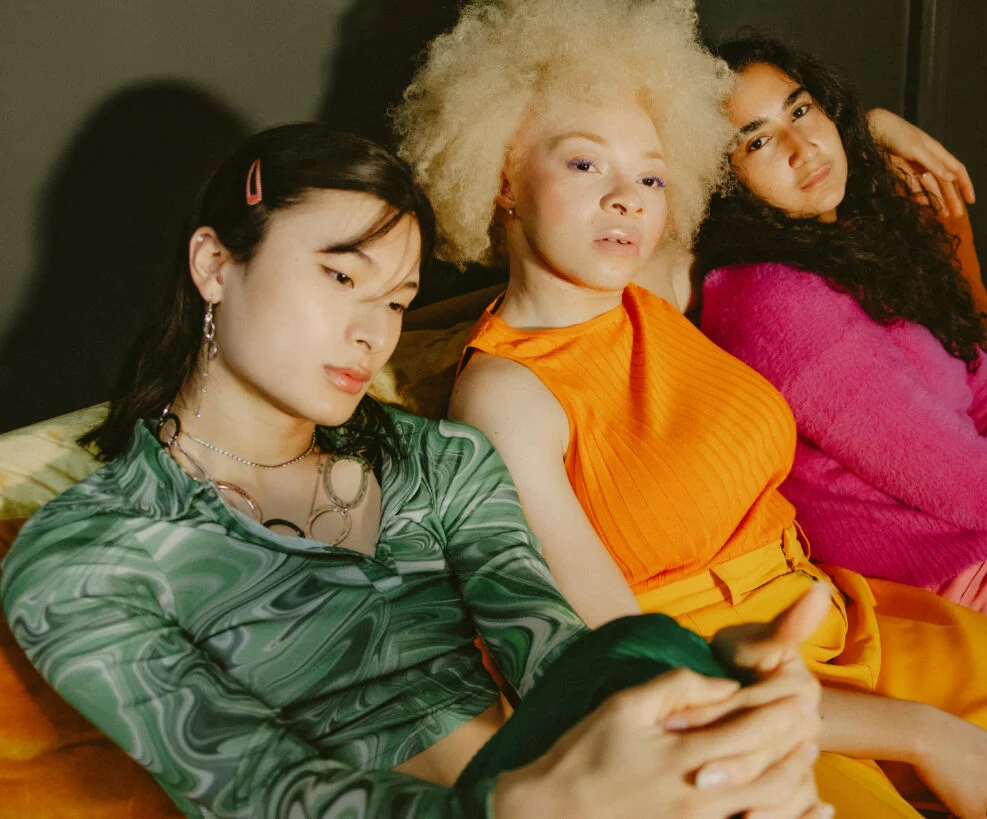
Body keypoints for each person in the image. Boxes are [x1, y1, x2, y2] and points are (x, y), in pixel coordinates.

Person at [0, 123, 832, 819]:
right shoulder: (88, 557)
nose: (374, 331)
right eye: (341, 276)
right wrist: (518, 805)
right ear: (216, 265)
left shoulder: (439, 462)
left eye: (397, 300)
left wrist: (693, 681)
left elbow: (554, 652)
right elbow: (254, 786)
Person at [396, 0, 987, 815]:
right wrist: (924, 734)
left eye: (652, 176)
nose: (629, 200)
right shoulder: (503, 394)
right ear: (502, 176)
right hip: (724, 698)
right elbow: (628, 661)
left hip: (851, 621)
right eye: (585, 164)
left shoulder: (654, 288)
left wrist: (864, 128)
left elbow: (775, 185)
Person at [694, 37, 987, 630]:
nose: (803, 149)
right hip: (959, 578)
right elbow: (952, 473)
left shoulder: (842, 241)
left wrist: (871, 125)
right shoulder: (774, 301)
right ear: (722, 179)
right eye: (757, 141)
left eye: (801, 110)